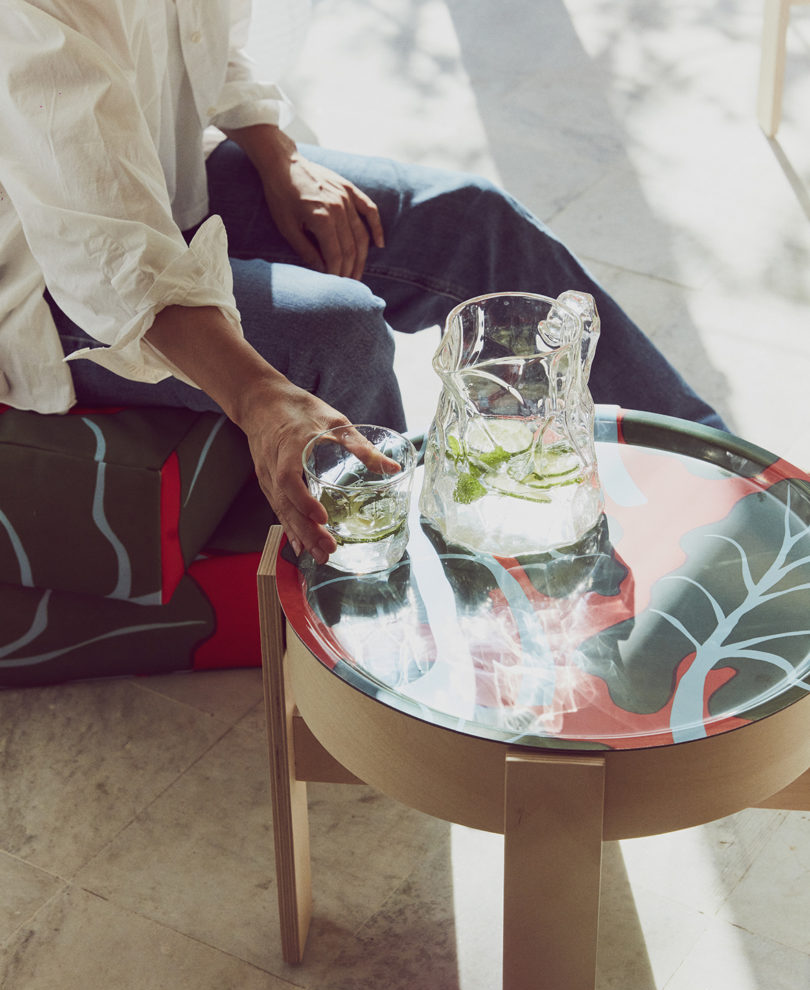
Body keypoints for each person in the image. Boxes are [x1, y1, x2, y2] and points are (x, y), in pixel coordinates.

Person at [0, 0, 727, 566]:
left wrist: (276, 154)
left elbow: (204, 42)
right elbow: (109, 250)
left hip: (164, 177)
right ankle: (395, 641)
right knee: (337, 329)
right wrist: (262, 399)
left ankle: (725, 484)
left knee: (470, 219)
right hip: (45, 278)